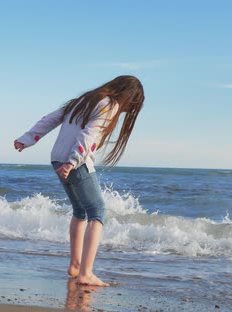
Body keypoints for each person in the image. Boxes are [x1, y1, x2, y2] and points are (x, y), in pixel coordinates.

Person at [14, 75, 144, 286]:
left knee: (79, 211)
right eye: (131, 106)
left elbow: (49, 119)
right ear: (128, 96)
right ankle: (86, 273)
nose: (126, 110)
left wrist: (27, 139)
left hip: (57, 158)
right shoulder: (109, 104)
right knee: (98, 211)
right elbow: (89, 134)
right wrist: (73, 161)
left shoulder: (83, 100)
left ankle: (75, 265)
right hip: (75, 161)